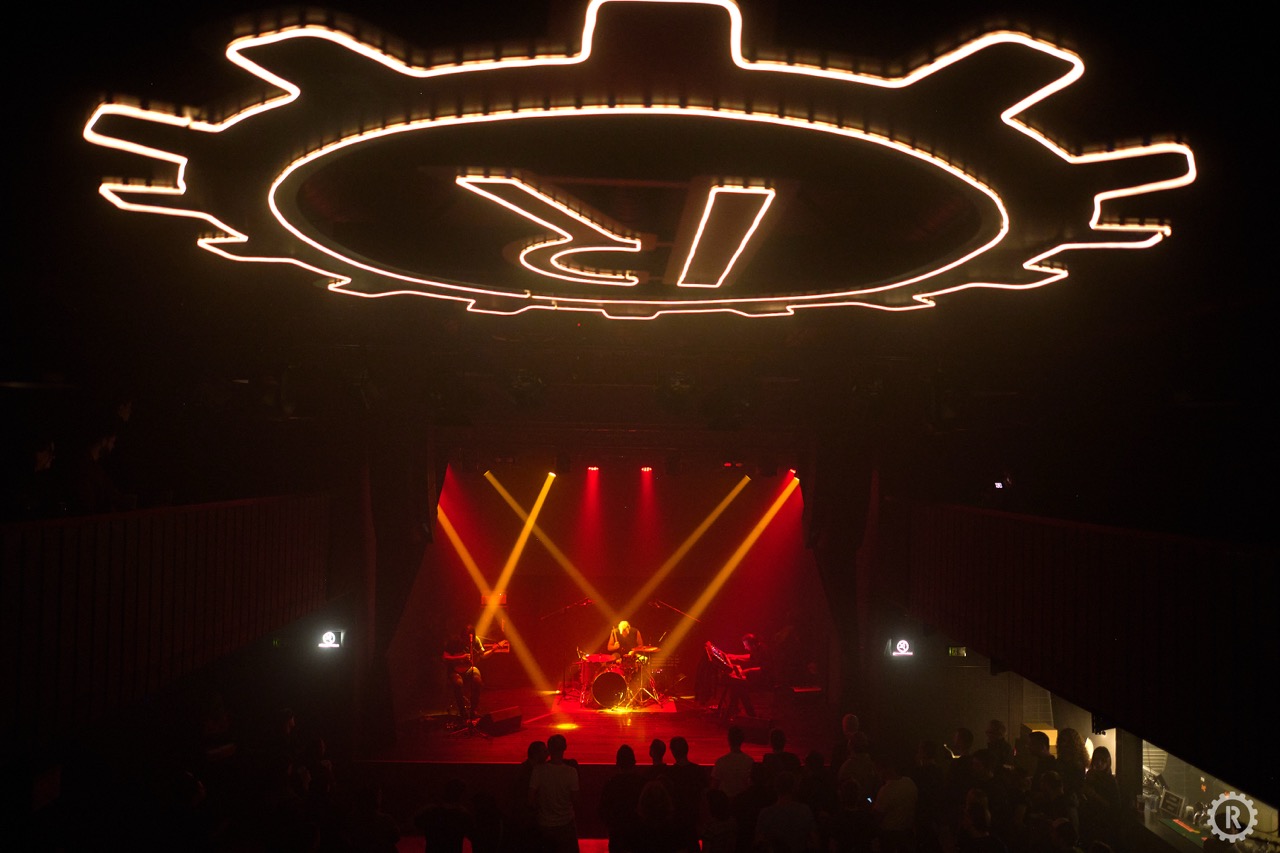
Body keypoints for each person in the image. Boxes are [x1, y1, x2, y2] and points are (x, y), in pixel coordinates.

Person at [529, 733, 580, 853]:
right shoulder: (571, 772)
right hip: (566, 823)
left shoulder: (538, 770)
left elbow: (530, 799)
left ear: (549, 750)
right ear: (565, 748)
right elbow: (576, 800)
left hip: (545, 823)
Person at [442, 624, 498, 720]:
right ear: (461, 637)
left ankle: (473, 711)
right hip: (454, 670)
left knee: (477, 680)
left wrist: (493, 649)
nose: (468, 643)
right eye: (466, 640)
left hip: (468, 668)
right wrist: (461, 657)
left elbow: (482, 655)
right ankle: (462, 712)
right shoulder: (453, 641)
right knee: (458, 683)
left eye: (469, 640)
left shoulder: (476, 641)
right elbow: (445, 657)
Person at [719, 633, 766, 723]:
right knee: (738, 686)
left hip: (764, 681)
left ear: (753, 645)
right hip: (759, 678)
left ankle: (742, 713)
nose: (745, 648)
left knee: (738, 687)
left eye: (746, 646)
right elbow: (750, 657)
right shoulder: (758, 648)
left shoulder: (764, 651)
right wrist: (734, 656)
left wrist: (748, 670)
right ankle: (746, 714)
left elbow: (765, 668)